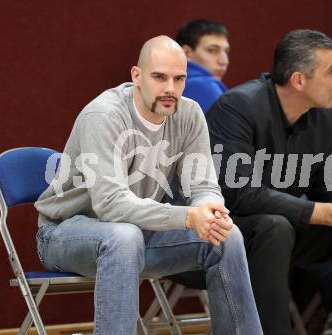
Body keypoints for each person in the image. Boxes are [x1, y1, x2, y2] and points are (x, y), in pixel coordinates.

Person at [34, 36, 262, 335]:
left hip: (138, 236)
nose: (170, 88)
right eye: (159, 77)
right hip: (64, 235)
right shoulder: (103, 115)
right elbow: (111, 204)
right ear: (136, 76)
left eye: (179, 79)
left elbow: (203, 185)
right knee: (123, 237)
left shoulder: (189, 114)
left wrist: (207, 209)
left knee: (226, 236)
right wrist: (187, 217)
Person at [206, 29, 332, 335]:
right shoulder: (237, 107)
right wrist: (327, 213)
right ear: (298, 80)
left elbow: (328, 180)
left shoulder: (325, 113)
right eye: (331, 72)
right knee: (274, 226)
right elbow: (240, 194)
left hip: (285, 229)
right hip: (225, 231)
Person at [176, 19, 229, 112]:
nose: (224, 61)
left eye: (226, 51)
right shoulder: (203, 86)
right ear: (186, 52)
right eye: (212, 50)